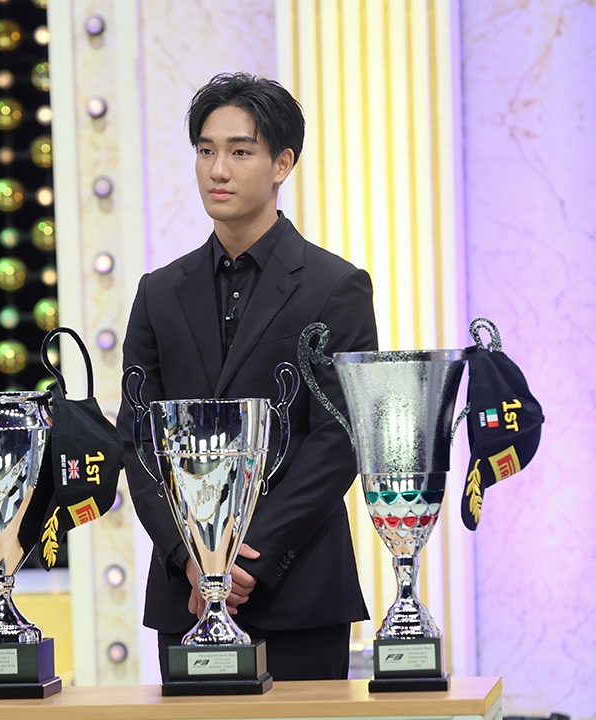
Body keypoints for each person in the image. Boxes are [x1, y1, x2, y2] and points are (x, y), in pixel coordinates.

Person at [119, 72, 377, 681]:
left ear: (283, 163)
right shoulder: (159, 292)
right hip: (185, 594)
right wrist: (190, 557)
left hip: (297, 588)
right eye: (205, 150)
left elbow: (339, 439)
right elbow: (137, 437)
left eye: (240, 152)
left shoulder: (335, 287)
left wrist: (246, 562)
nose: (218, 170)